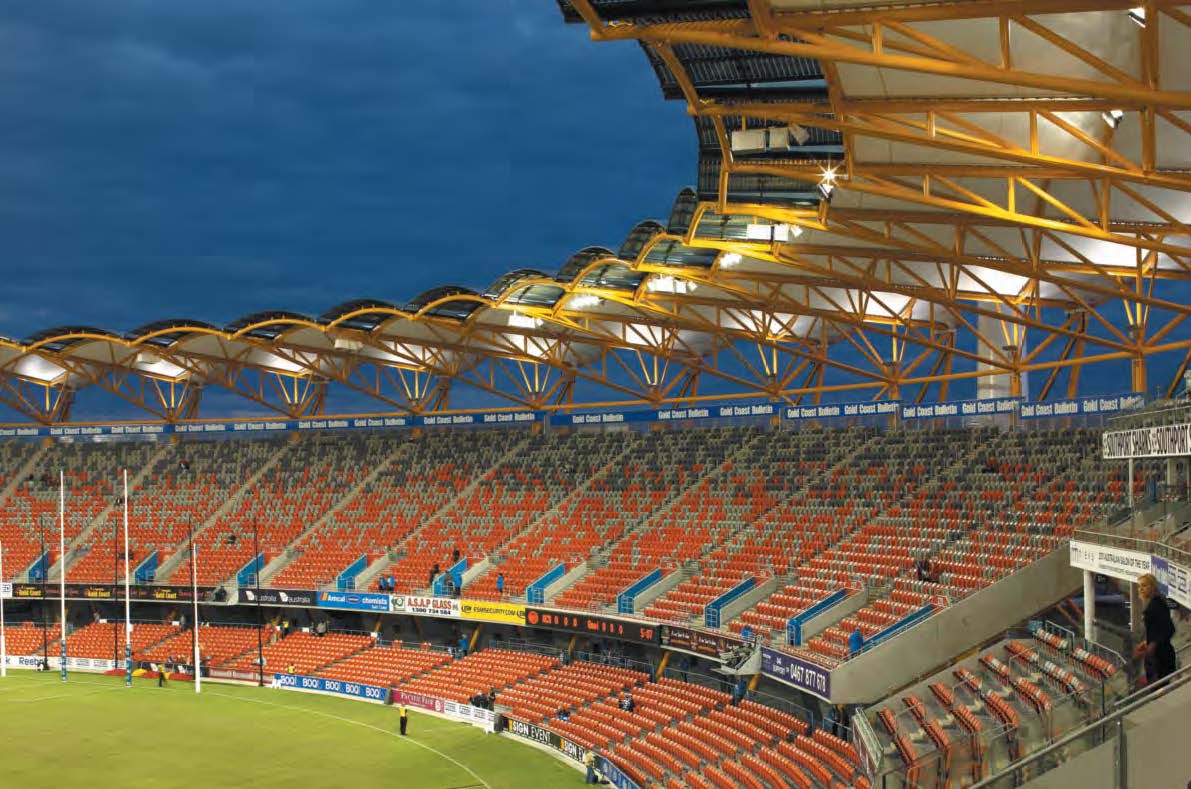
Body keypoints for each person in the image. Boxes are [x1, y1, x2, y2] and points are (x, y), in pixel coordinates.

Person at [1135, 573, 1176, 686]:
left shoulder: (1156, 604)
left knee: (1158, 689)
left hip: (1160, 658)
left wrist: (1152, 645)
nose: (1140, 589)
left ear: (1152, 587)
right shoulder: (1155, 603)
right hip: (1159, 656)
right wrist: (1148, 642)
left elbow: (1168, 629)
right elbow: (1158, 630)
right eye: (1139, 586)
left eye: (1144, 585)